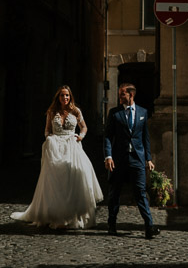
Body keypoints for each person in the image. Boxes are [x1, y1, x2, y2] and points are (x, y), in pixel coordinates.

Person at [11, 85, 104, 229]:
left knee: (75, 177)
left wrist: (81, 136)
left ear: (70, 97)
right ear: (58, 97)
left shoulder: (76, 110)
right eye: (62, 95)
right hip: (56, 147)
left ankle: (72, 216)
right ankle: (55, 214)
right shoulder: (52, 111)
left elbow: (84, 127)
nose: (65, 98)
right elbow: (47, 130)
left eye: (67, 95)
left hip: (72, 145)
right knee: (56, 181)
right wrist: (50, 140)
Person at [103, 83, 160, 239]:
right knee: (115, 193)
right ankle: (111, 225)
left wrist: (148, 158)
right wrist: (108, 156)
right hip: (118, 159)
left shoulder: (143, 112)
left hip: (137, 159)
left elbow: (145, 138)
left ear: (131, 95)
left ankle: (149, 226)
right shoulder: (114, 113)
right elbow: (108, 136)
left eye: (122, 94)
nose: (120, 97)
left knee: (140, 193)